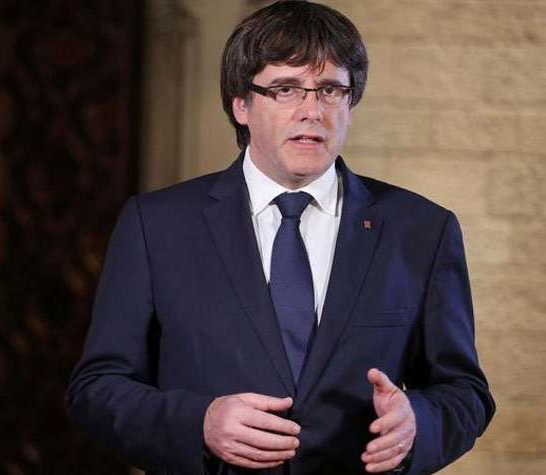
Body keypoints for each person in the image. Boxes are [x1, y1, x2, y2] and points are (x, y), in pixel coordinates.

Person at [65, 1, 494, 474]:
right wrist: (199, 424)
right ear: (241, 105)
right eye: (285, 89)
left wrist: (417, 424)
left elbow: (465, 394)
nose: (312, 111)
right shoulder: (156, 225)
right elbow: (97, 388)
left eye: (330, 89)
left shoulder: (422, 230)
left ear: (350, 105)